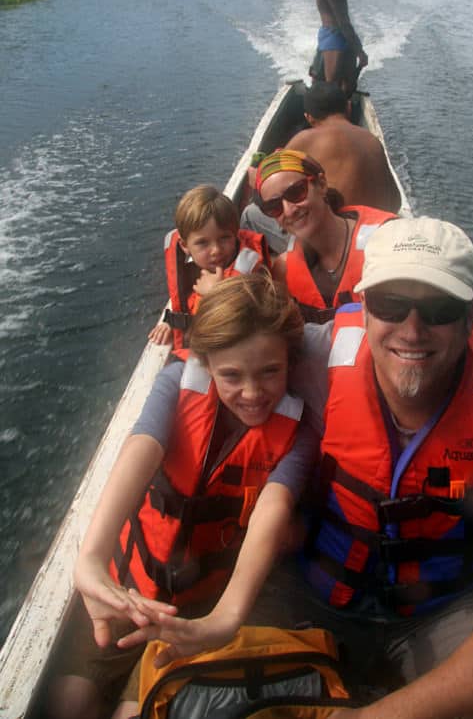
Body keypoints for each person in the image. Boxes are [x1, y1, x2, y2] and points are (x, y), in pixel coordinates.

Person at [253, 216, 473, 719]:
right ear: (364, 308)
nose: (412, 329)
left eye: (439, 308)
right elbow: (216, 368)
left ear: (472, 316)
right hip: (316, 592)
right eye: (390, 304)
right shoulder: (318, 357)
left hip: (447, 613)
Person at [47, 274, 319, 719]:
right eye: (231, 375)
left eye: (270, 371)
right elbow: (141, 447)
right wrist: (90, 560)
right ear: (207, 363)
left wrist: (226, 618)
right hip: (126, 587)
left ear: (290, 361)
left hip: (198, 611)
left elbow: (274, 505)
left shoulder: (298, 431)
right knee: (69, 704)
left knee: (138, 712)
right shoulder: (177, 384)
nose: (252, 393)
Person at [255, 149, 396, 324]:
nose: (289, 210)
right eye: (274, 206)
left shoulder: (387, 243)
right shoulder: (283, 271)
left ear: (321, 184)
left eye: (296, 192)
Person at [149, 184, 270, 350]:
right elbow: (188, 302)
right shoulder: (193, 270)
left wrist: (217, 293)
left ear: (235, 235)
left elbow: (255, 321)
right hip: (198, 352)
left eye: (224, 238)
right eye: (202, 243)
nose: (216, 250)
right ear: (185, 246)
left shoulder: (250, 271)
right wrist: (172, 321)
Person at [285, 82, 401, 213]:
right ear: (348, 107)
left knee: (256, 214)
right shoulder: (372, 139)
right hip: (382, 225)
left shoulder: (306, 139)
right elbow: (396, 201)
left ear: (309, 118)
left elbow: (270, 176)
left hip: (346, 230)